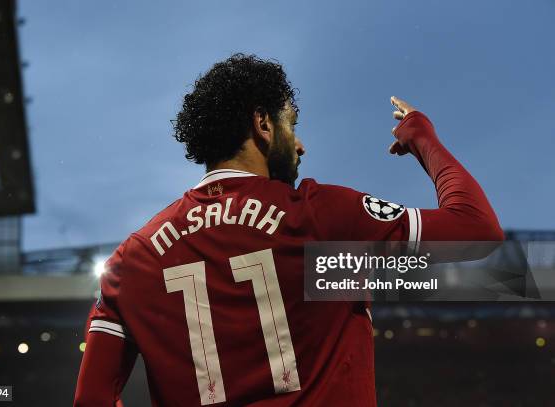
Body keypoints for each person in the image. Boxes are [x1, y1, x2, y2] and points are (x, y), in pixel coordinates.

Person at [73, 54, 503, 406]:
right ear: (263, 124)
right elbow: (477, 228)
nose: (299, 145)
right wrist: (421, 137)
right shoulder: (325, 216)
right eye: (291, 125)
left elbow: (91, 399)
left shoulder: (130, 262)